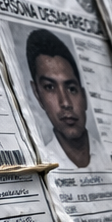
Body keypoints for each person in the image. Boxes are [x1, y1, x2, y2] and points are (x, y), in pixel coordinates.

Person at [25, 29, 91, 168]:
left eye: (71, 89)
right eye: (50, 87)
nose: (65, 103)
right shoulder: (41, 162)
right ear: (37, 94)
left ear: (84, 96)